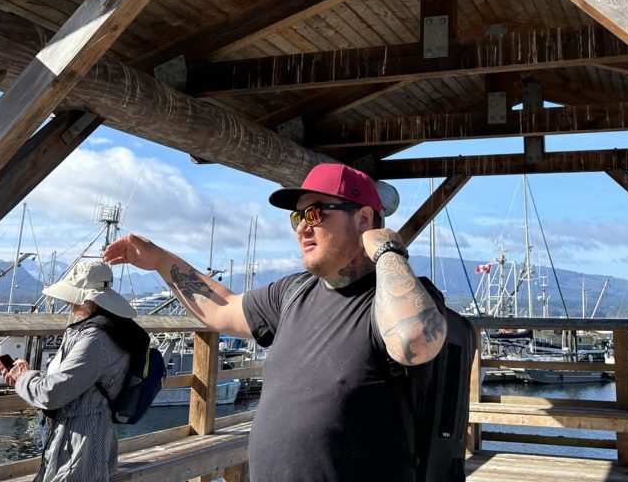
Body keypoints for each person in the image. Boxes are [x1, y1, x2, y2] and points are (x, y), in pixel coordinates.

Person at [104, 163, 447, 482]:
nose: (302, 226)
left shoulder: (400, 299)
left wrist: (387, 250)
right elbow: (223, 307)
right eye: (296, 217)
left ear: (362, 219)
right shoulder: (292, 292)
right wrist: (161, 260)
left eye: (315, 213)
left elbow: (414, 340)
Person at [2, 260, 149, 482]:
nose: (68, 303)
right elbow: (73, 380)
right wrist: (30, 376)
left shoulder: (96, 338)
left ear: (87, 299)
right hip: (88, 440)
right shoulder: (114, 328)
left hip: (80, 448)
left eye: (72, 296)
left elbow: (53, 393)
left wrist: (23, 377)